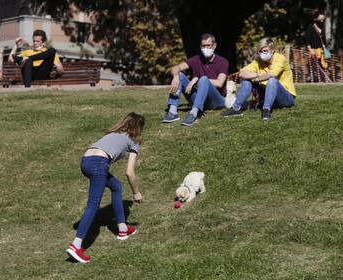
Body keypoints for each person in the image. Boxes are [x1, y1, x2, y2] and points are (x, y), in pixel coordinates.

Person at [66, 112, 145, 263]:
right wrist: (136, 192)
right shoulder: (134, 140)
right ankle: (76, 246)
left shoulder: (114, 132)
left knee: (115, 186)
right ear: (139, 128)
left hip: (85, 161)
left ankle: (122, 228)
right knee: (93, 205)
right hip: (98, 164)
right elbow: (130, 173)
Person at [221, 37, 297, 120]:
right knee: (247, 81)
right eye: (260, 51)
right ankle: (236, 108)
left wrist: (255, 79)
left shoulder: (280, 58)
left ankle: (266, 110)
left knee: (272, 80)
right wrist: (257, 75)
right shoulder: (258, 61)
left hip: (286, 98)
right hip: (267, 95)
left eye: (265, 51)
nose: (262, 53)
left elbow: (272, 74)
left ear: (272, 50)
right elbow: (242, 73)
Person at [162, 33, 229, 126]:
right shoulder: (196, 59)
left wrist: (198, 80)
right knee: (180, 75)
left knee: (204, 79)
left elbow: (220, 83)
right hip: (198, 97)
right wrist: (176, 77)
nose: (206, 48)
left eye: (208, 46)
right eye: (203, 46)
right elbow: (175, 68)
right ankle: (172, 112)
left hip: (217, 101)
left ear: (214, 46)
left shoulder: (223, 61)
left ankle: (194, 113)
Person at [305, 10, 329, 82]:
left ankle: (323, 80)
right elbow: (307, 40)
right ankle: (315, 81)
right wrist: (310, 50)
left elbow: (323, 39)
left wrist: (324, 47)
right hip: (313, 51)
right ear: (316, 18)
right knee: (314, 67)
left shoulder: (322, 27)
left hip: (321, 51)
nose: (322, 21)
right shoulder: (310, 27)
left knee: (323, 65)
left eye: (323, 19)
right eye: (320, 19)